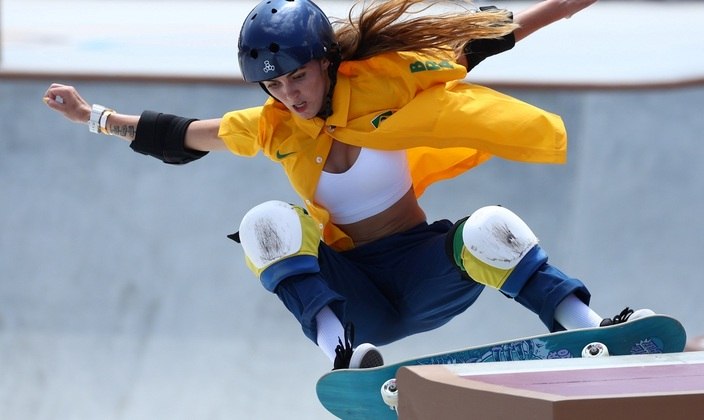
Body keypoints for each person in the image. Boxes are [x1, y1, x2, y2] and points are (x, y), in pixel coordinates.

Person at [43, 0, 652, 370]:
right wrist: (93, 117)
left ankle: (592, 328)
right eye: (274, 86)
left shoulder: (391, 81)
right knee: (266, 221)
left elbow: (492, 37)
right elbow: (180, 134)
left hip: (425, 272)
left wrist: (569, 7)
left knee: (492, 225)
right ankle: (338, 351)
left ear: (327, 62)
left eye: (299, 78)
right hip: (354, 296)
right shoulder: (275, 128)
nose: (289, 95)